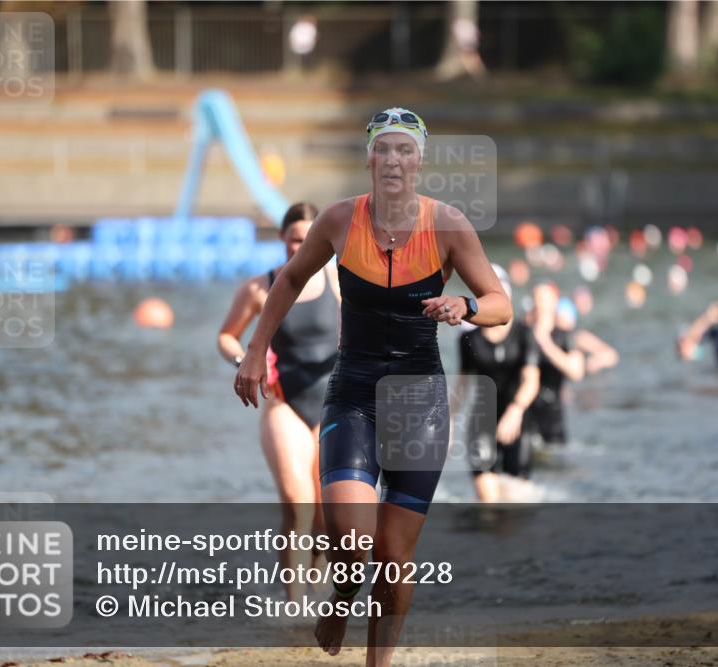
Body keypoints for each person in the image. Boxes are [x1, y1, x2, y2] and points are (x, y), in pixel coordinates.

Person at [233, 108, 511, 666]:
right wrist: (256, 347)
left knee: (394, 554)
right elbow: (290, 279)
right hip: (355, 393)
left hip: (419, 402)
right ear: (369, 158)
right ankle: (341, 596)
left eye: (404, 150)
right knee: (352, 541)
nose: (393, 160)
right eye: (383, 149)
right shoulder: (339, 220)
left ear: (419, 160)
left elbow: (501, 305)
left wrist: (465, 305)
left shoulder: (448, 225)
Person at [218, 202, 339, 600]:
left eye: (309, 240)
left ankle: (320, 594)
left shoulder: (340, 281)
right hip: (283, 403)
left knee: (326, 513)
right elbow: (227, 336)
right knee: (297, 502)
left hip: (332, 403)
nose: (300, 248)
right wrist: (245, 361)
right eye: (294, 240)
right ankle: (294, 603)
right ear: (282, 239)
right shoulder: (259, 288)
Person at [453, 264, 540, 503]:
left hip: (517, 421)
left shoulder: (524, 334)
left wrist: (516, 410)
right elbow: (462, 385)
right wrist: (449, 422)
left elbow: (531, 381)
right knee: (489, 504)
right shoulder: (469, 339)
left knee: (516, 502)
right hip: (482, 421)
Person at [524, 283, 618, 450]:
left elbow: (576, 372)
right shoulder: (523, 332)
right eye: (535, 299)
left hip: (552, 408)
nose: (538, 304)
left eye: (543, 299)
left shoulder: (565, 336)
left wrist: (545, 344)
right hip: (525, 407)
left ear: (554, 303)